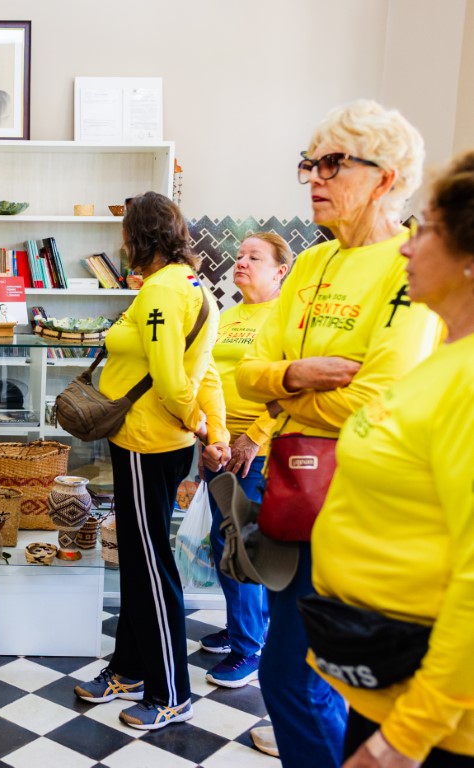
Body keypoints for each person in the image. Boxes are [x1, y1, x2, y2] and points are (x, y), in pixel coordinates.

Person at [235, 100, 443, 768]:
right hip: (295, 496)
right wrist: (298, 374)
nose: (314, 178)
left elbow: (377, 402)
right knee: (298, 678)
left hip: (368, 506)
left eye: (332, 163)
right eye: (310, 164)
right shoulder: (310, 266)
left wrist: (283, 392)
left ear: (385, 178)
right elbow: (247, 372)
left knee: (313, 681)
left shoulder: (408, 264)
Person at [310, 150, 474, 768]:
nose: (406, 246)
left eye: (426, 228)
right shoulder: (444, 359)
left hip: (433, 727)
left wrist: (405, 738)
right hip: (388, 678)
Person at [73, 191, 229, 730]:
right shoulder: (192, 286)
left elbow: (170, 378)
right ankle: (128, 670)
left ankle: (171, 691)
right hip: (155, 443)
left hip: (145, 442)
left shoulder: (161, 292)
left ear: (136, 239)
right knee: (140, 563)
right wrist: (216, 427)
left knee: (150, 568)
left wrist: (199, 424)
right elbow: (205, 371)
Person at [199, 232, 292, 688]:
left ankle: (249, 649)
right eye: (238, 256)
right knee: (223, 545)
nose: (241, 263)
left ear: (280, 271)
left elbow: (290, 391)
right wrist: (212, 435)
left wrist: (252, 440)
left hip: (257, 451)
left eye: (254, 257)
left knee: (243, 546)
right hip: (219, 446)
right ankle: (241, 628)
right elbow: (206, 374)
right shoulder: (228, 314)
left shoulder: (287, 317)